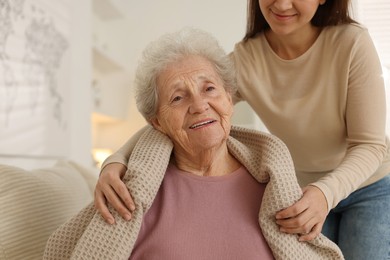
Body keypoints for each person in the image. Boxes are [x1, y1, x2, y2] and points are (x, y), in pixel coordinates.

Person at [95, 0, 390, 259]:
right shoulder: (246, 59)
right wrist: (116, 159)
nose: (282, 4)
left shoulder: (351, 43)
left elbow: (370, 145)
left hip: (369, 186)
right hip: (300, 191)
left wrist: (325, 193)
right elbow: (179, 115)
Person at [43, 28, 343, 259]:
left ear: (229, 98)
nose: (199, 105)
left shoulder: (271, 183)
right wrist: (114, 161)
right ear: (156, 122)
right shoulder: (134, 192)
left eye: (209, 89)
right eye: (177, 97)